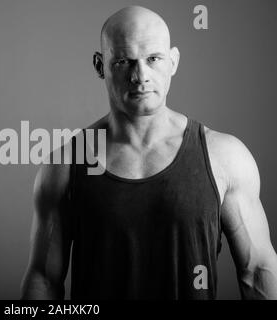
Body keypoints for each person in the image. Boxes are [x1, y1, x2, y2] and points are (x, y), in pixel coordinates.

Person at [20, 5, 277, 299]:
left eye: (153, 59)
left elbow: (256, 270)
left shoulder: (225, 156)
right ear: (99, 65)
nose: (140, 75)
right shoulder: (66, 164)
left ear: (173, 61)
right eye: (124, 62)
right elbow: (44, 279)